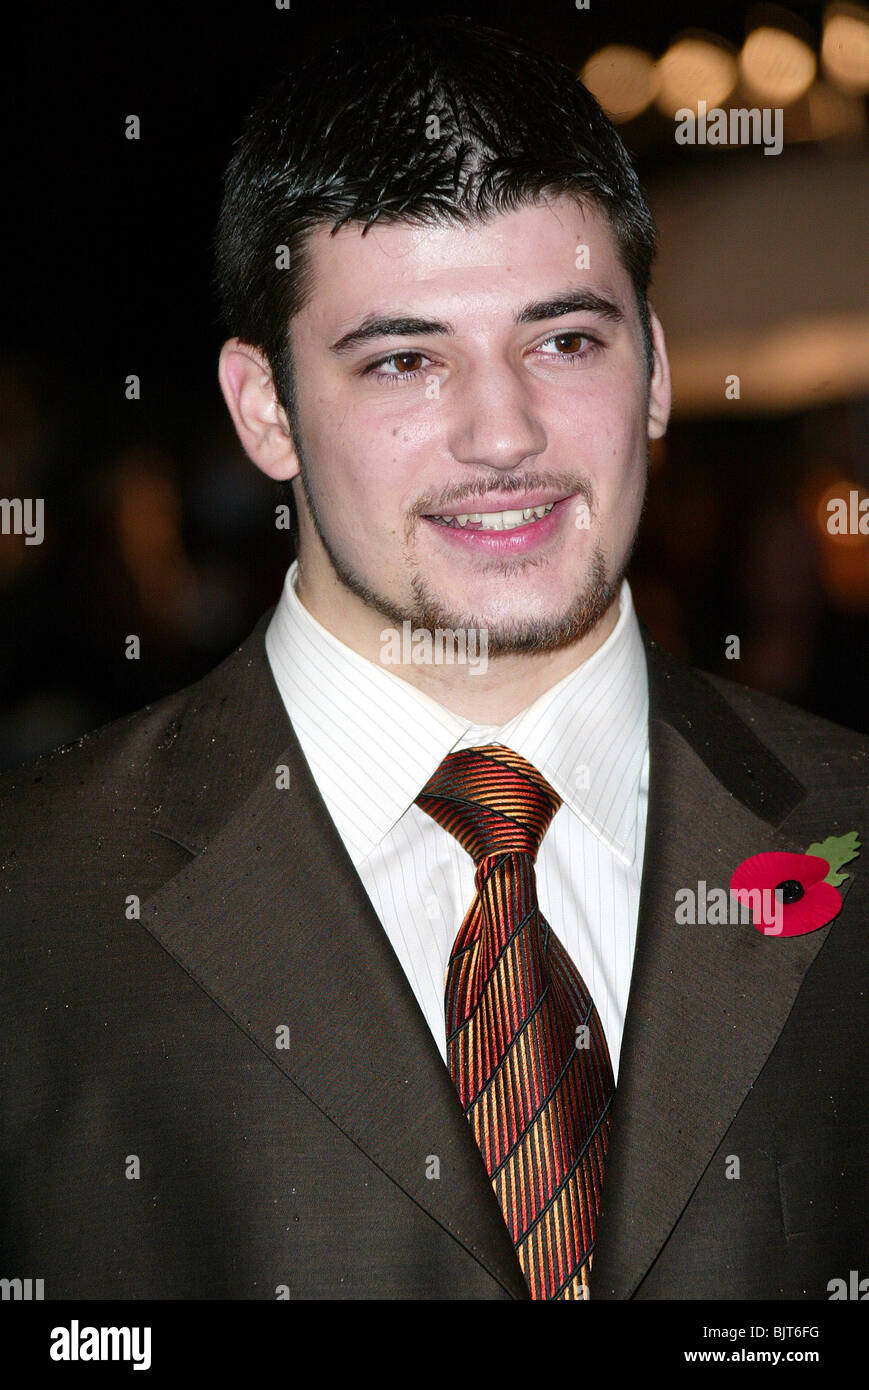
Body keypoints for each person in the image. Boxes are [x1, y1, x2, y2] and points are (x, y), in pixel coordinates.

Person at [1, 13, 866, 1302]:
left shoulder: (849, 821)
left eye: (564, 340)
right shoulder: (35, 908)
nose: (501, 432)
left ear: (659, 373)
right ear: (266, 412)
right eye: (405, 361)